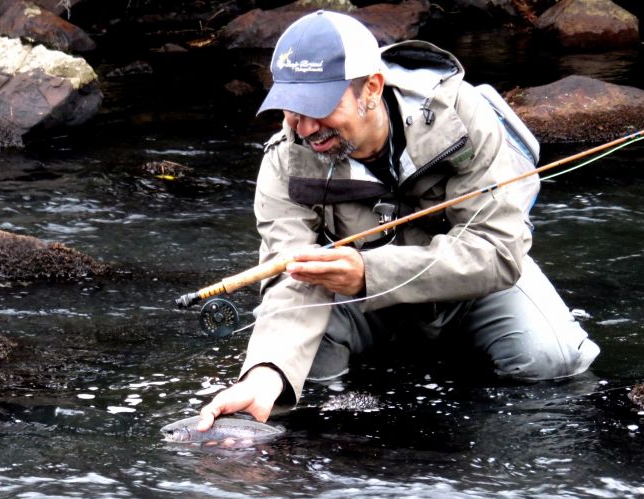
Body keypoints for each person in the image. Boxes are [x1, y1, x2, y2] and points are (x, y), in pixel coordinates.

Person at [197, 10, 600, 430]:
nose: (307, 127)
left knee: (553, 359)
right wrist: (266, 373)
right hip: (359, 300)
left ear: (371, 88)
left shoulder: (460, 116)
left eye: (320, 107)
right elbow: (290, 278)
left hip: (473, 289)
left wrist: (369, 273)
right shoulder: (286, 160)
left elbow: (497, 252)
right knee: (302, 377)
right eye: (293, 109)